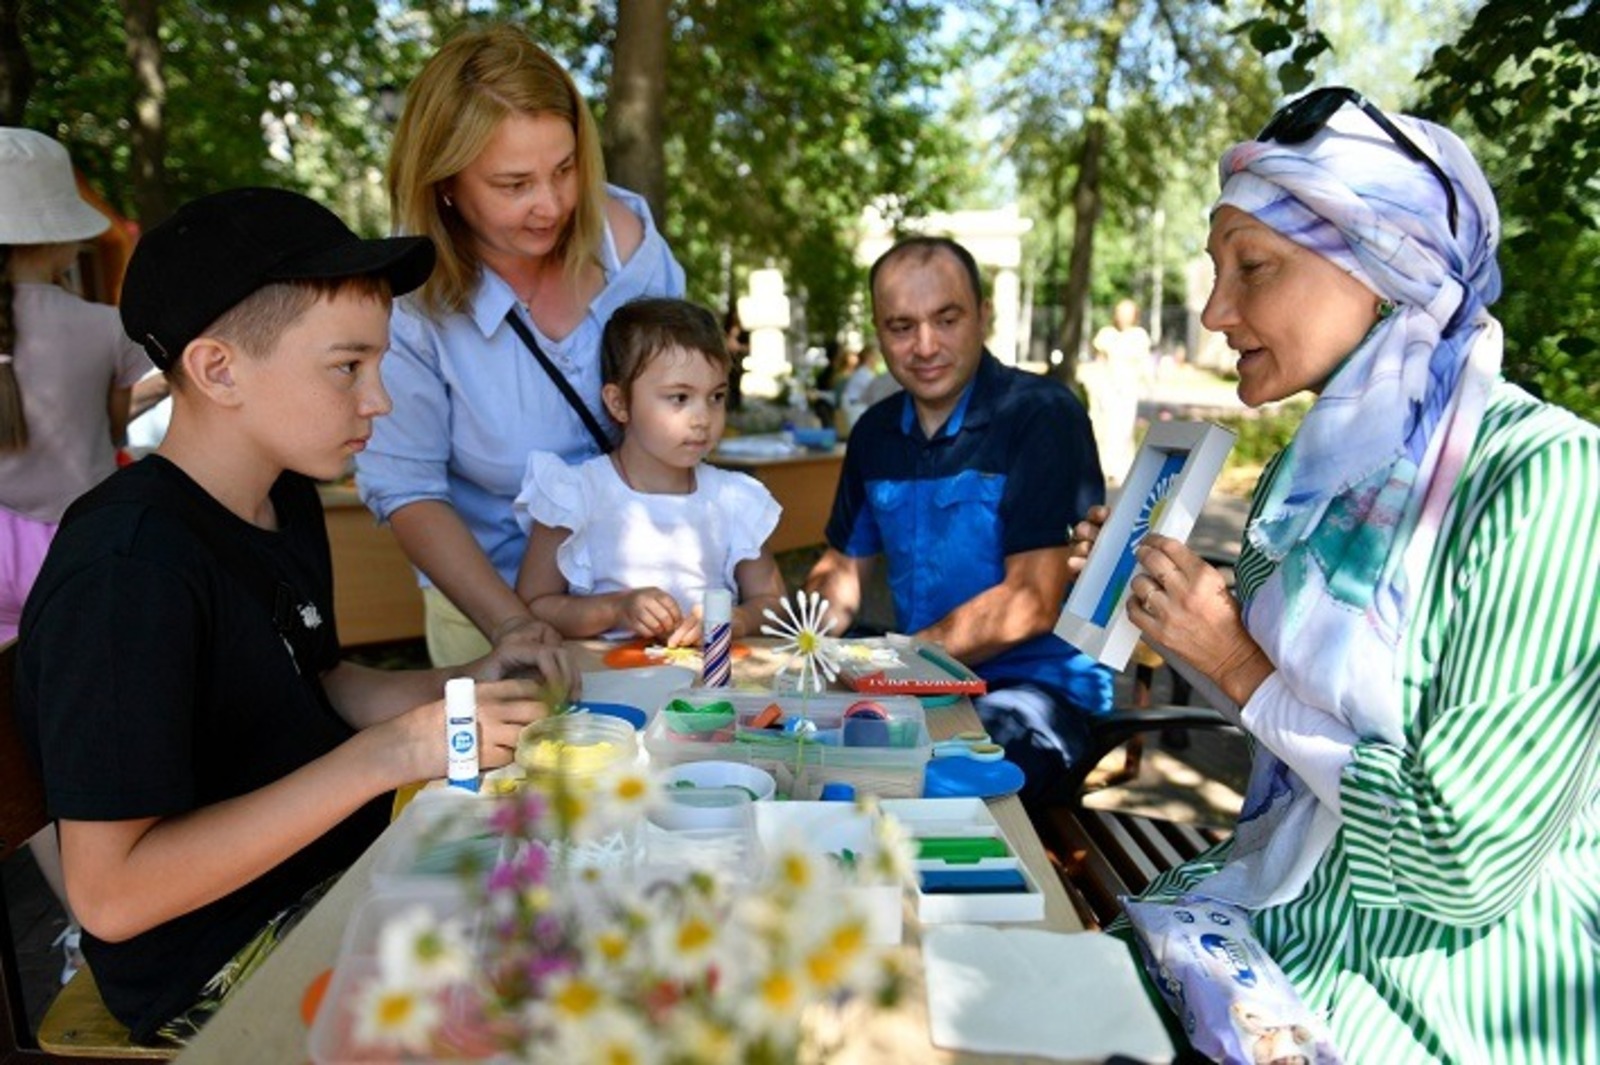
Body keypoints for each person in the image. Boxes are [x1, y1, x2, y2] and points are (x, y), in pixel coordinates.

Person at [1073, 88, 1598, 1061]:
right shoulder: (1310, 477)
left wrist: (1230, 659)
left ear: (1385, 261)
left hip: (1431, 1000)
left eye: (1254, 268)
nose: (1215, 309)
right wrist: (1166, 593)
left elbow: (1458, 869)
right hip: (1285, 923)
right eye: (1214, 268)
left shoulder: (1546, 479)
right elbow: (1308, 696)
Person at [15, 187, 573, 1045]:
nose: (379, 399)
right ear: (218, 369)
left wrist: (463, 684)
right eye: (347, 367)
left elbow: (317, 682)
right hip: (217, 963)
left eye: (379, 365)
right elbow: (111, 895)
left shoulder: (282, 496)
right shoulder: (128, 571)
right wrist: (389, 755)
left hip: (333, 879)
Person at [356, 24, 686, 668]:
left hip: (643, 599)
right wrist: (513, 625)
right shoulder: (408, 302)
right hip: (488, 606)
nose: (551, 206)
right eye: (513, 185)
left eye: (564, 170)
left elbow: (688, 409)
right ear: (444, 183)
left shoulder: (633, 252)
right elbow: (408, 489)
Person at [806, 236, 1111, 802]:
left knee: (927, 786)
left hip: (1035, 691)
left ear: (982, 317)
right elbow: (843, 570)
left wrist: (893, 665)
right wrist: (799, 639)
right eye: (901, 327)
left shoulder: (1041, 416)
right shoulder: (874, 433)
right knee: (804, 757)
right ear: (878, 331)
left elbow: (1031, 602)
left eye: (946, 319)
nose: (925, 345)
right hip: (922, 686)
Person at [0, 127, 156, 984]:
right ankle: (119, 916)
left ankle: (70, 919)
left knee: (14, 753)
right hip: (78, 558)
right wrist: (108, 414)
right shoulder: (98, 323)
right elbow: (175, 374)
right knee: (95, 741)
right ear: (59, 233)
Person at [514, 297, 785, 645]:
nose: (703, 418)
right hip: (605, 690)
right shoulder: (574, 494)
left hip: (709, 690)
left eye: (716, 397)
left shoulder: (734, 499)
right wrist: (615, 609)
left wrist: (741, 619)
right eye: (679, 398)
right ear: (619, 403)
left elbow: (773, 602)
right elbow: (532, 606)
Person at [1087, 296, 1151, 484]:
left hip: (1127, 386)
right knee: (1104, 427)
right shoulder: (1107, 334)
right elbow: (1099, 360)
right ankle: (1104, 467)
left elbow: (1142, 363)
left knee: (1123, 428)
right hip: (1107, 386)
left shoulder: (1138, 335)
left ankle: (1121, 468)